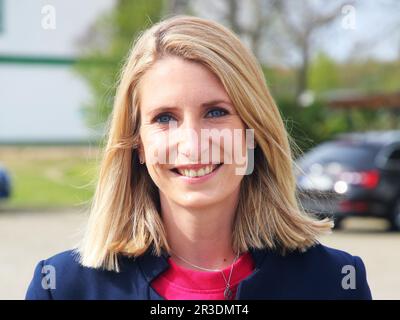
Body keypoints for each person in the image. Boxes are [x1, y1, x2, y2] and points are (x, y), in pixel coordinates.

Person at [25, 15, 372, 300]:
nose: (192, 144)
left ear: (252, 133)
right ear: (139, 145)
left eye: (216, 112)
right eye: (164, 118)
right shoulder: (62, 288)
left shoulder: (335, 283)